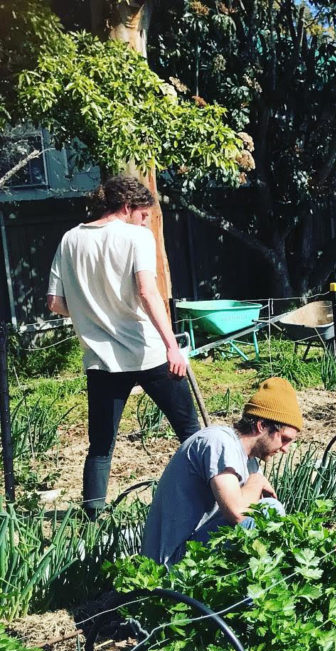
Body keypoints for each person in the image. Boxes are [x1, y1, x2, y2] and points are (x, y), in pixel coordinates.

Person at [46, 175, 199, 518]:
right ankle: (210, 497)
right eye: (144, 214)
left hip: (102, 360)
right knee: (190, 432)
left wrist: (91, 310)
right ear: (128, 207)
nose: (146, 221)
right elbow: (147, 292)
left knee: (100, 446)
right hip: (150, 353)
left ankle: (93, 518)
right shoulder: (136, 236)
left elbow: (55, 302)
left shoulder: (70, 239)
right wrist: (172, 346)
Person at [141, 377, 303, 566]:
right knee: (267, 511)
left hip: (194, 554)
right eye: (284, 439)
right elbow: (238, 514)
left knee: (270, 513)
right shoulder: (218, 442)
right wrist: (257, 482)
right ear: (261, 426)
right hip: (170, 563)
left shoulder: (249, 463)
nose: (285, 449)